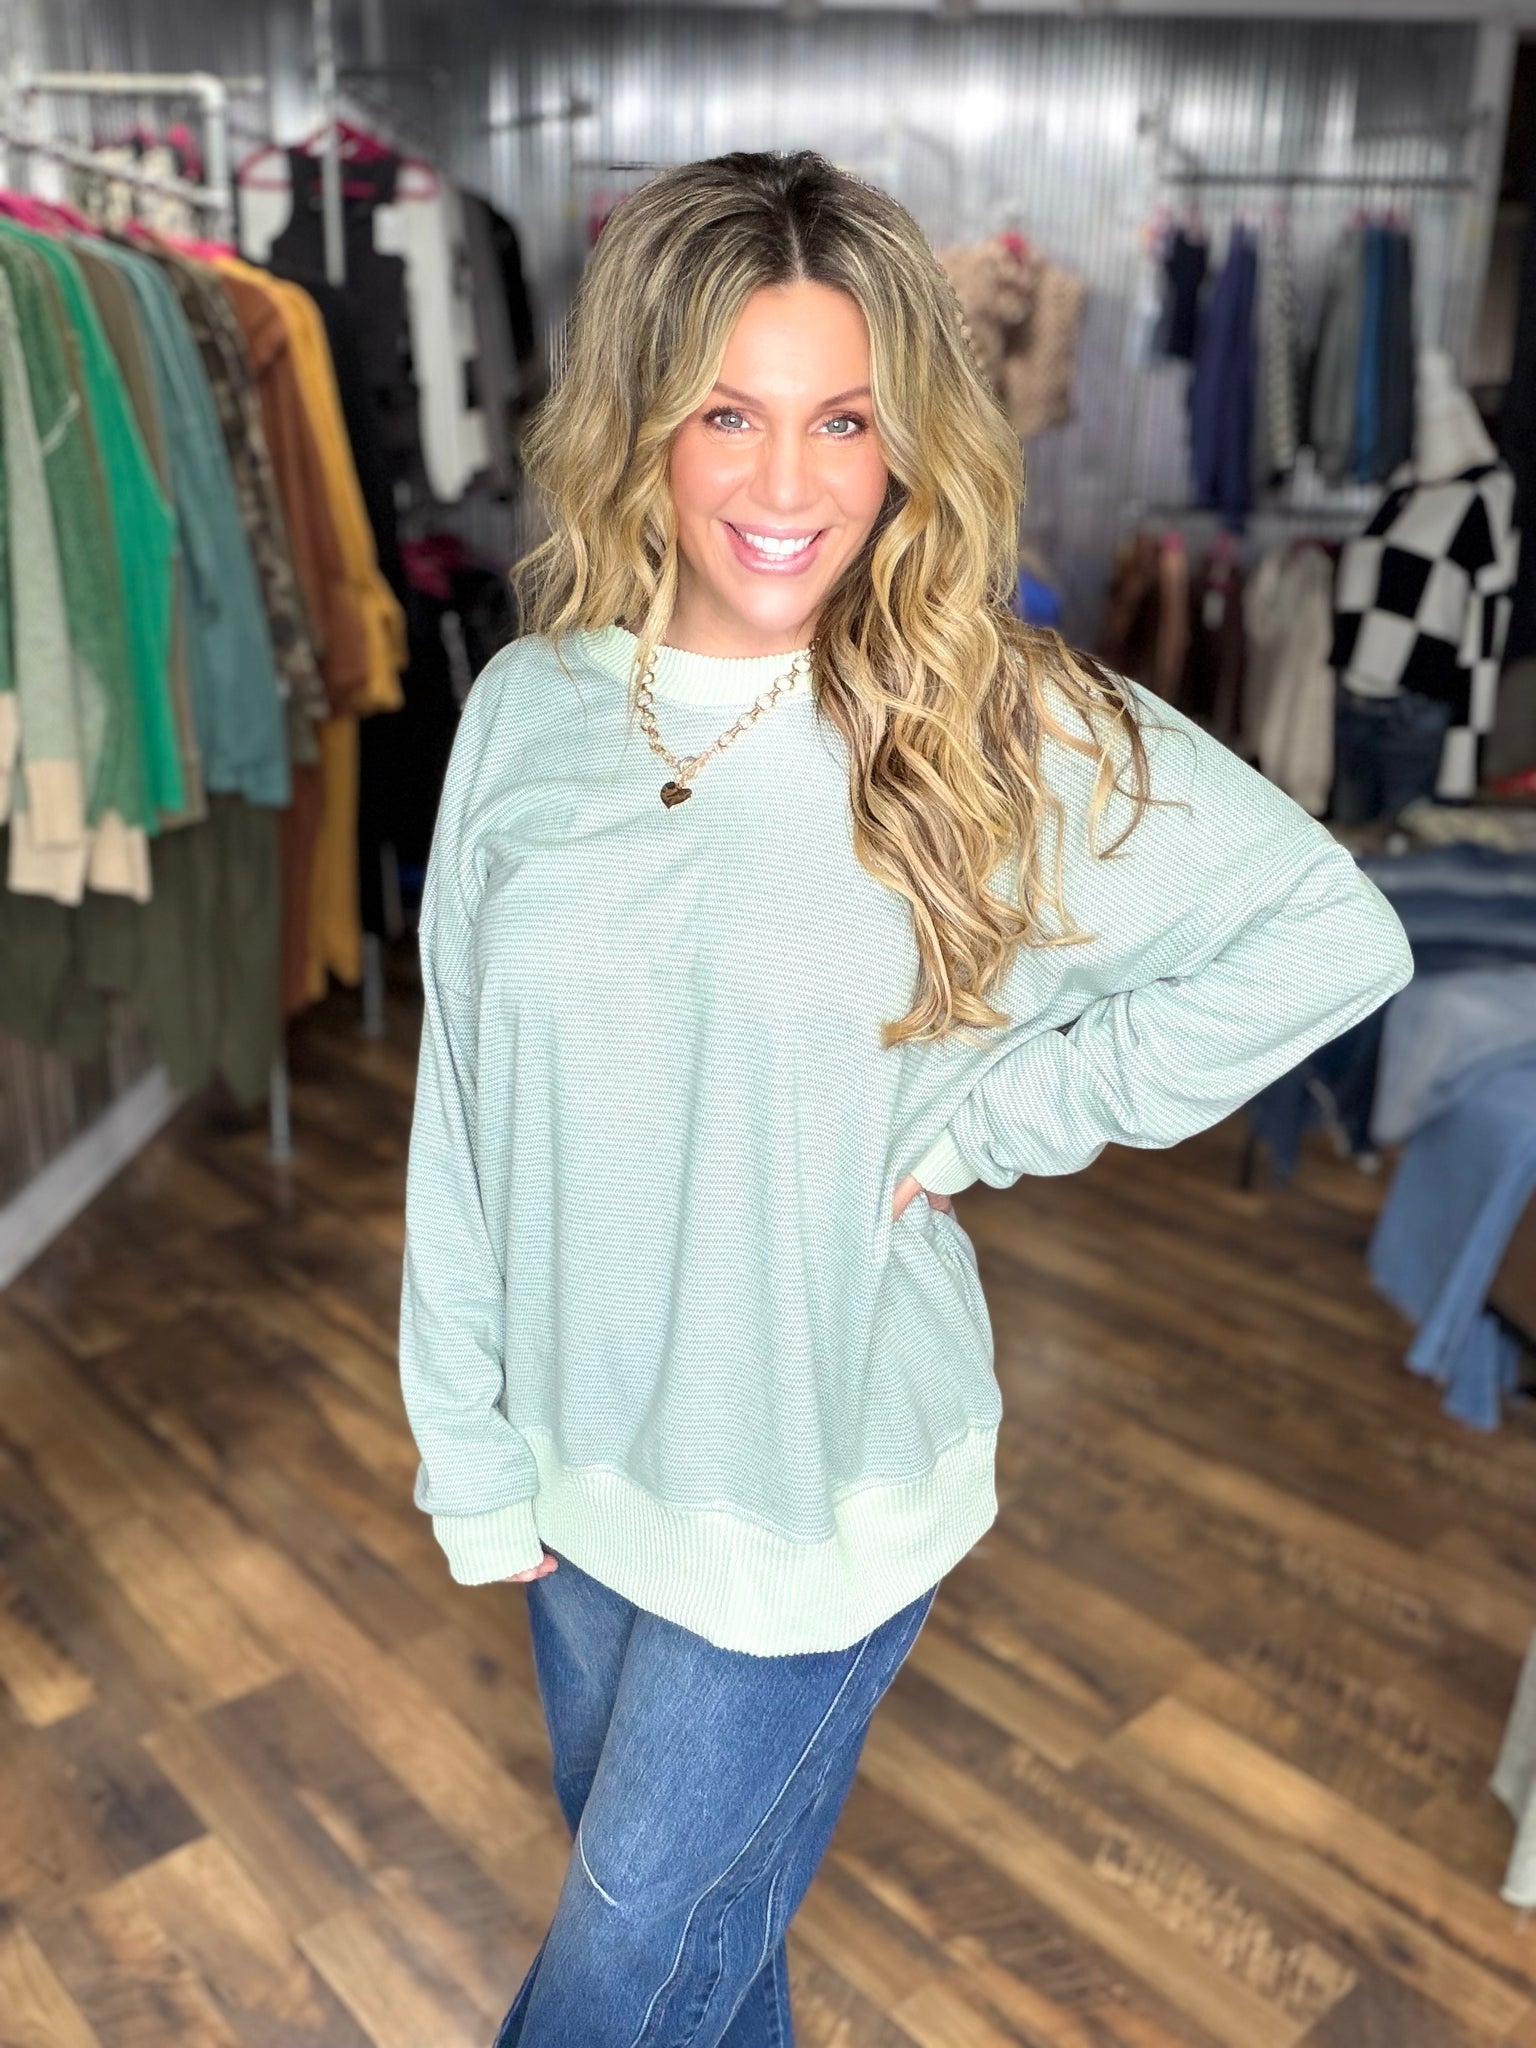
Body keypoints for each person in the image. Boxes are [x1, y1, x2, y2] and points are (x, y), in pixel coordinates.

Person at [397, 150, 1413, 2046]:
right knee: (707, 1965)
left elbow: (1324, 934)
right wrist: (466, 1441)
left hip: (818, 1475)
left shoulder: (984, 718)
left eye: (844, 419)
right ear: (641, 423)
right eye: (728, 414)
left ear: (905, 440)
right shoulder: (526, 710)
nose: (788, 484)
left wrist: (983, 1121)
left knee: (617, 1982)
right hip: (574, 1470)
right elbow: (460, 1105)